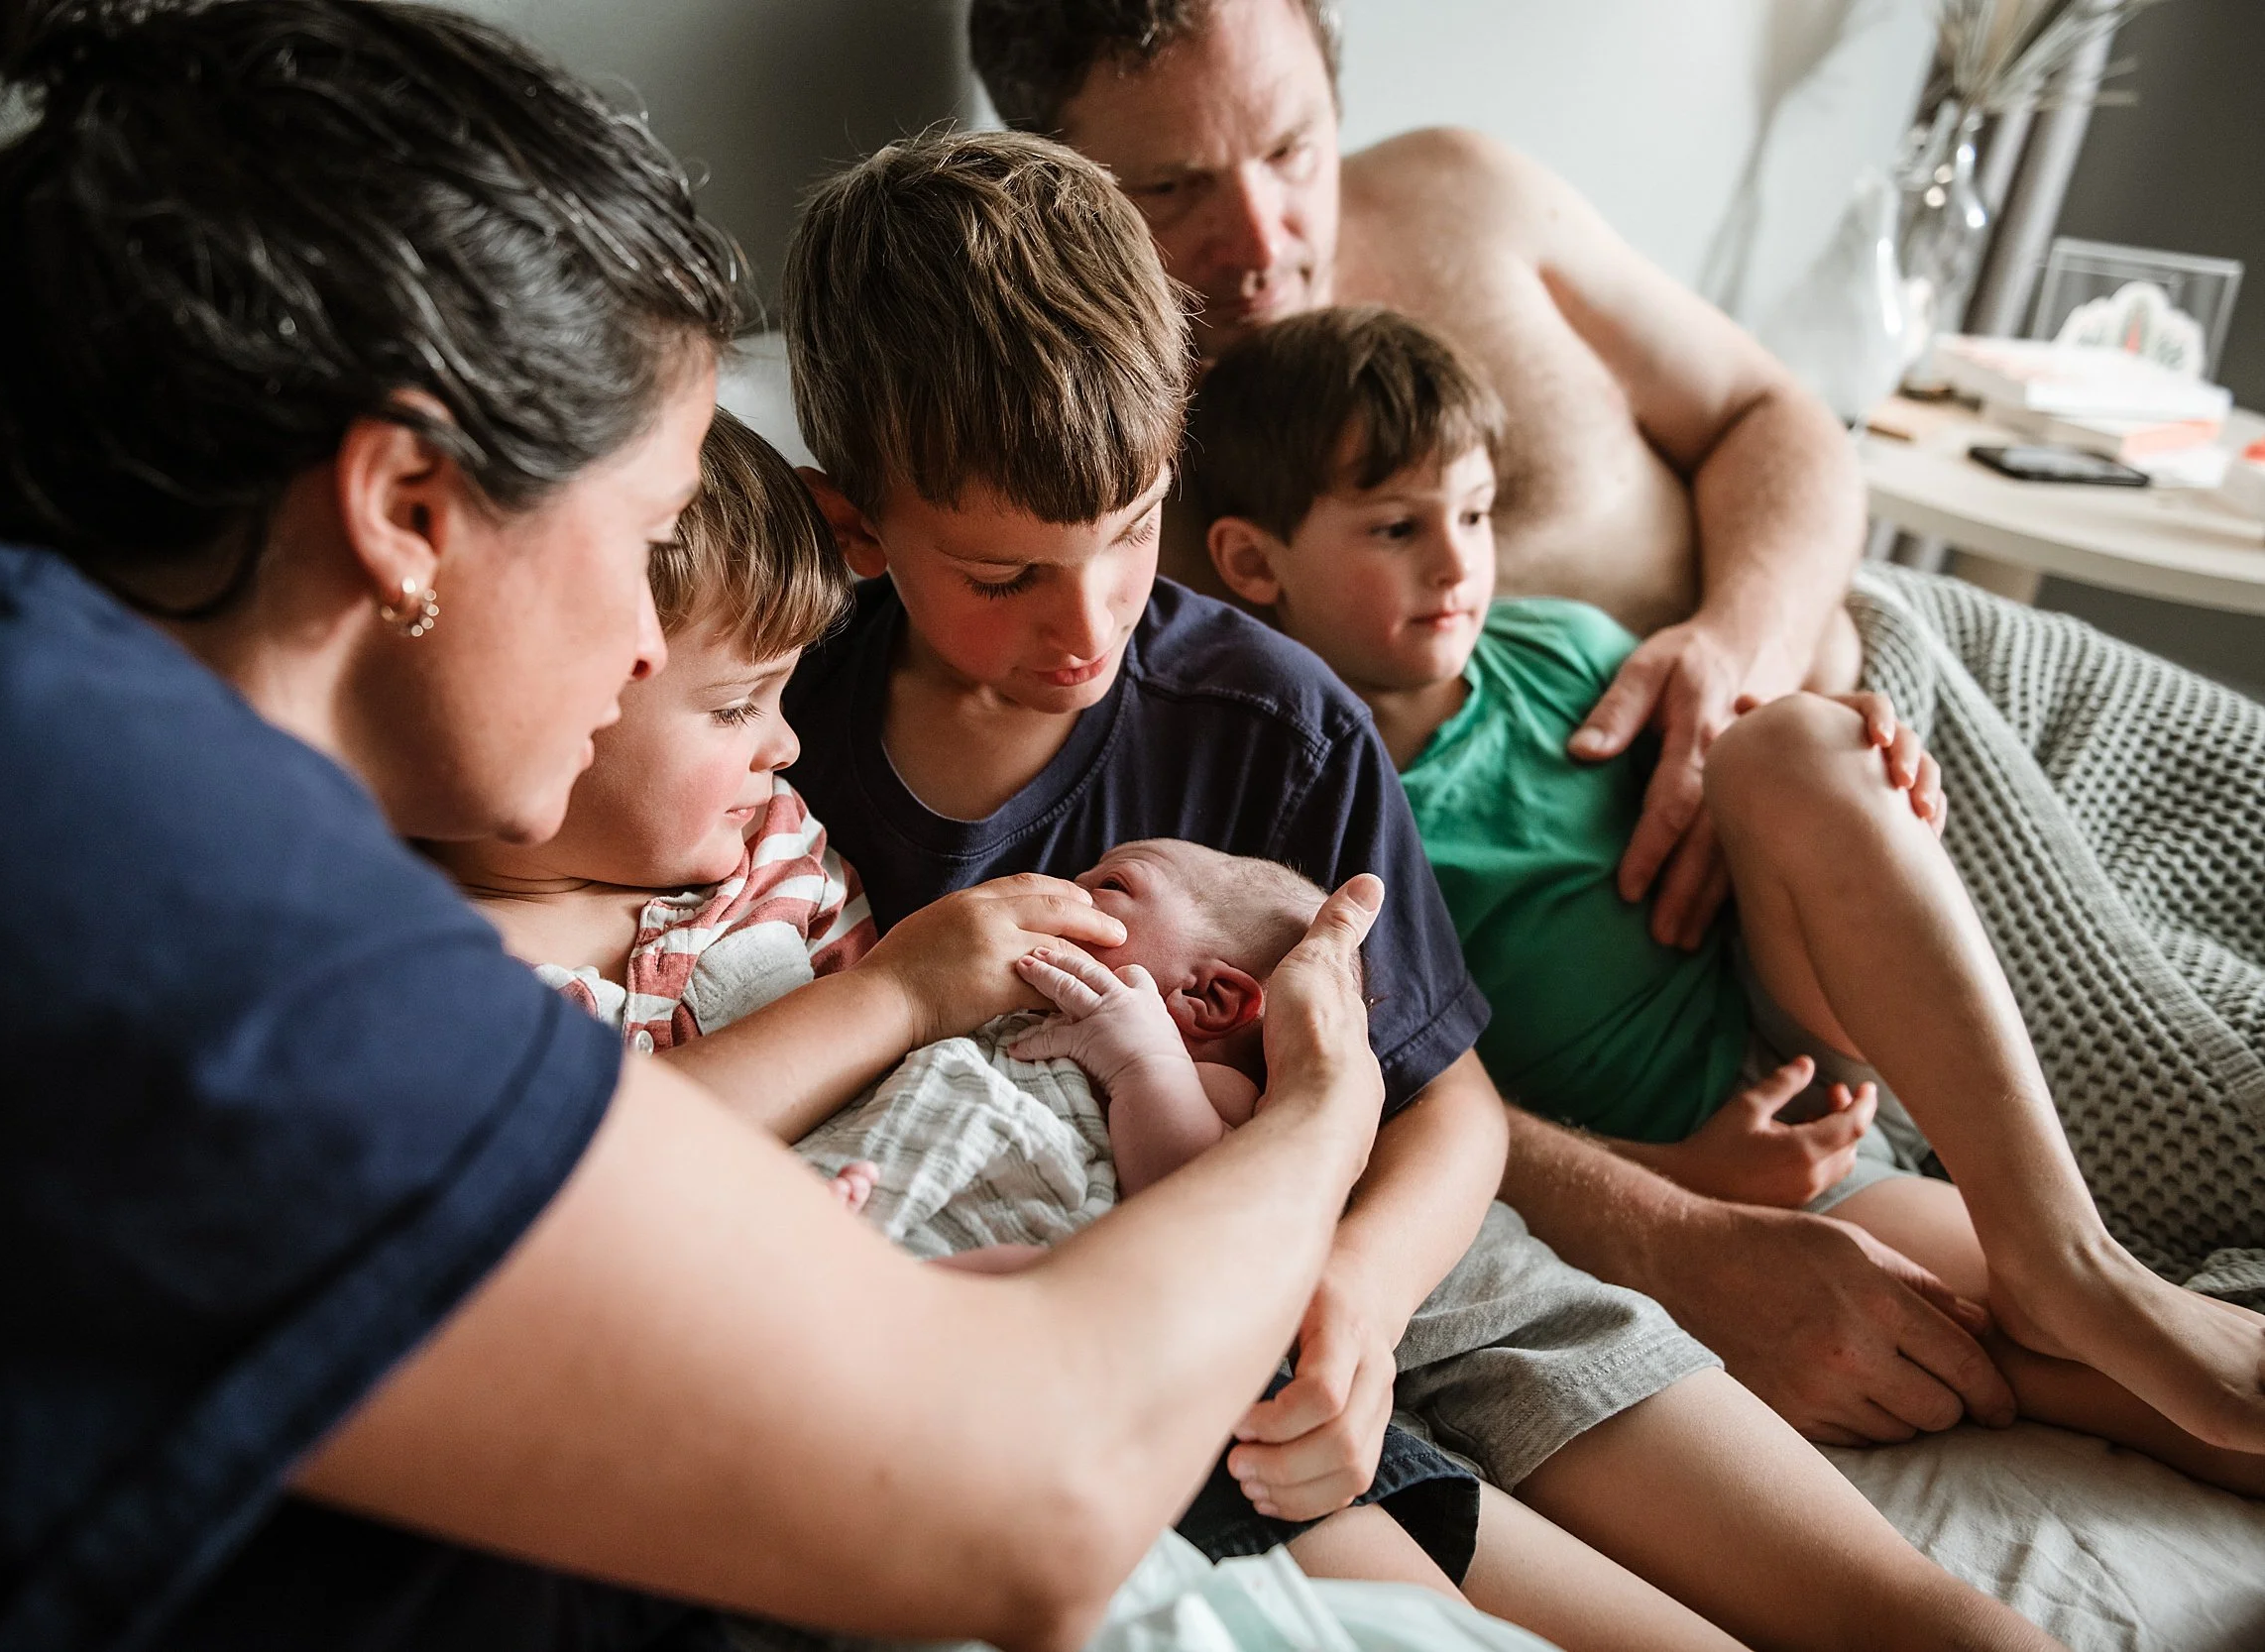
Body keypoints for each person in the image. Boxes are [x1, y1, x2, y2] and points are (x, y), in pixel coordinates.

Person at [0, 2, 1419, 1646]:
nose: (652, 645)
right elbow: (1038, 1495)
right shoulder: (125, 876)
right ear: (410, 511)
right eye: (645, 537)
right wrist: (1318, 1112)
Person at [772, 129, 2058, 1652]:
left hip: (1383, 1236)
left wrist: (1362, 1296)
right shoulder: (785, 716)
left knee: (1904, 1615)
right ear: (857, 527)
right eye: (1005, 577)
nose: (1086, 622)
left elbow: (1449, 1103)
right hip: (1086, 1270)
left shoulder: (1268, 713)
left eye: (1128, 536)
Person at [964, 0, 2044, 1451]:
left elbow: (1776, 419)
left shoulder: (1467, 194)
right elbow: (1349, 1010)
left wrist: (1738, 666)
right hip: (1682, 1045)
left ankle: (2084, 1264)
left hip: (1872, 753)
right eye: (1170, 192)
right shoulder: (1098, 514)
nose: (1263, 232)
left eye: (1292, 146)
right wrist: (1669, 1216)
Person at [1184, 302, 2265, 1493]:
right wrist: (1682, 1181)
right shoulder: (1299, 800)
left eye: (1479, 514)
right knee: (2036, 1348)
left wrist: (1875, 769)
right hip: (1718, 1162)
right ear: (1250, 561)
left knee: (1794, 743)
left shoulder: (1564, 650)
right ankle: (2061, 1295)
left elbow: (1764, 819)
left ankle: (2065, 1246)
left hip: (1807, 1022)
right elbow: (1420, 1093)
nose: (1457, 563)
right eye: (1397, 527)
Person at [432, 409, 1484, 1594]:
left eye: (1138, 529)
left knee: (1407, 1537)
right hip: (884, 1343)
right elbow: (581, 1170)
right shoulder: (447, 967)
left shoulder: (771, 852)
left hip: (1144, 1275)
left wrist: (1341, 1236)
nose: (782, 742)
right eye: (737, 708)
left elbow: (1439, 1104)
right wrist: (905, 991)